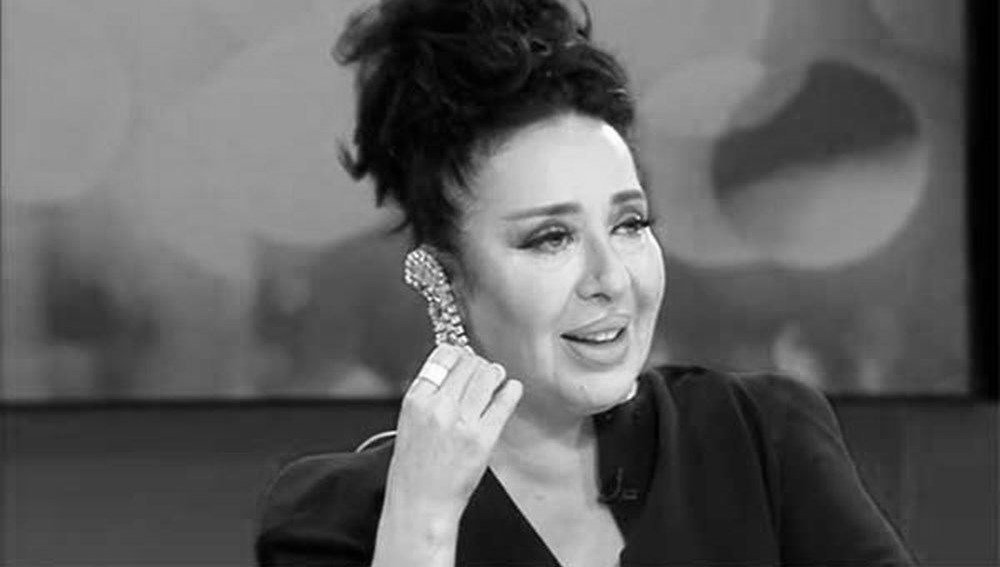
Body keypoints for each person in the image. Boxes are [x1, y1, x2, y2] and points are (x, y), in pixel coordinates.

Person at [255, 0, 917, 565]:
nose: (611, 278)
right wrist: (422, 521)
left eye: (629, 224)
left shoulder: (762, 437)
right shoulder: (340, 518)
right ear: (445, 278)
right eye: (552, 237)